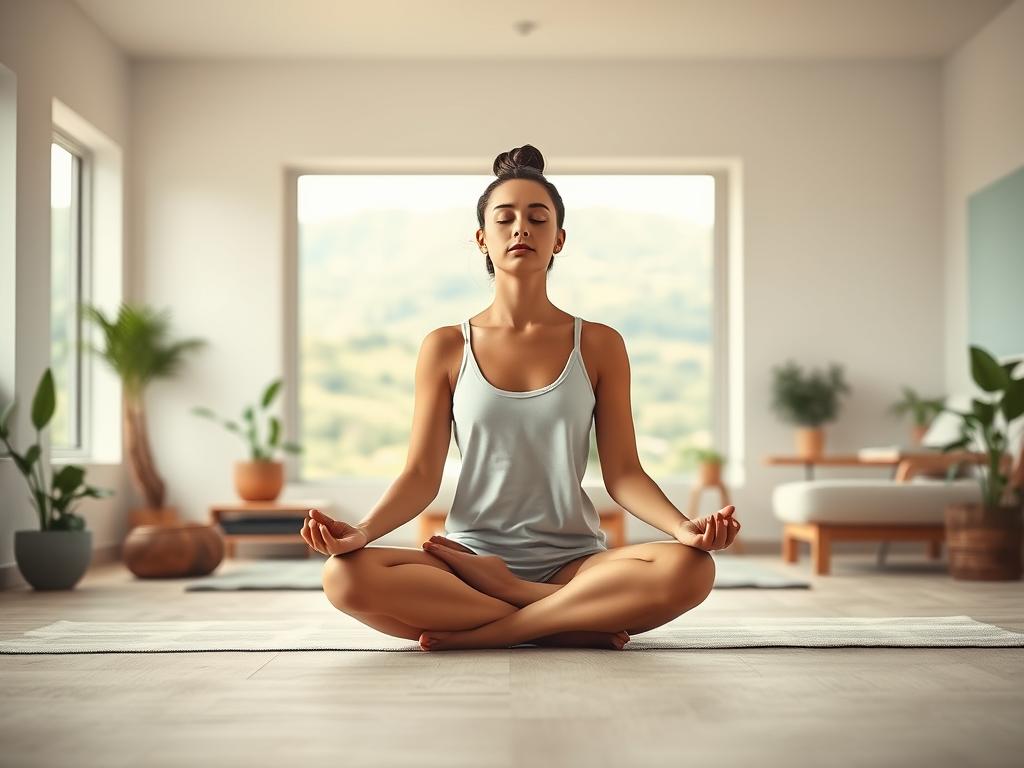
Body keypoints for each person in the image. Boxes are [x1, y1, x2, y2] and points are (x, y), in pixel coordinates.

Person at [301, 144, 740, 651]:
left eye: (538, 217)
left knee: (689, 568)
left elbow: (623, 473)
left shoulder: (599, 343)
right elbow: (421, 475)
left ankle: (501, 621)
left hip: (574, 563)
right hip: (466, 562)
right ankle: (568, 620)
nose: (521, 229)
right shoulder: (446, 346)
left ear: (559, 239)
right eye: (505, 218)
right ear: (482, 239)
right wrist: (360, 532)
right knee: (344, 578)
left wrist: (683, 528)